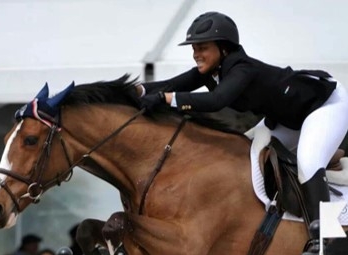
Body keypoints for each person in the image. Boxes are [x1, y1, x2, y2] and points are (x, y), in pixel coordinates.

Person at [138, 11, 348, 238]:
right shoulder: (214, 70)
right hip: (289, 118)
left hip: (325, 105)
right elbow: (172, 83)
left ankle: (329, 240)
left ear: (223, 48)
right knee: (242, 151)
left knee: (308, 163)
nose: (196, 54)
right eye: (194, 49)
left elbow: (216, 101)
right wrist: (135, 90)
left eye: (202, 48)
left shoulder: (241, 68)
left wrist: (166, 99)